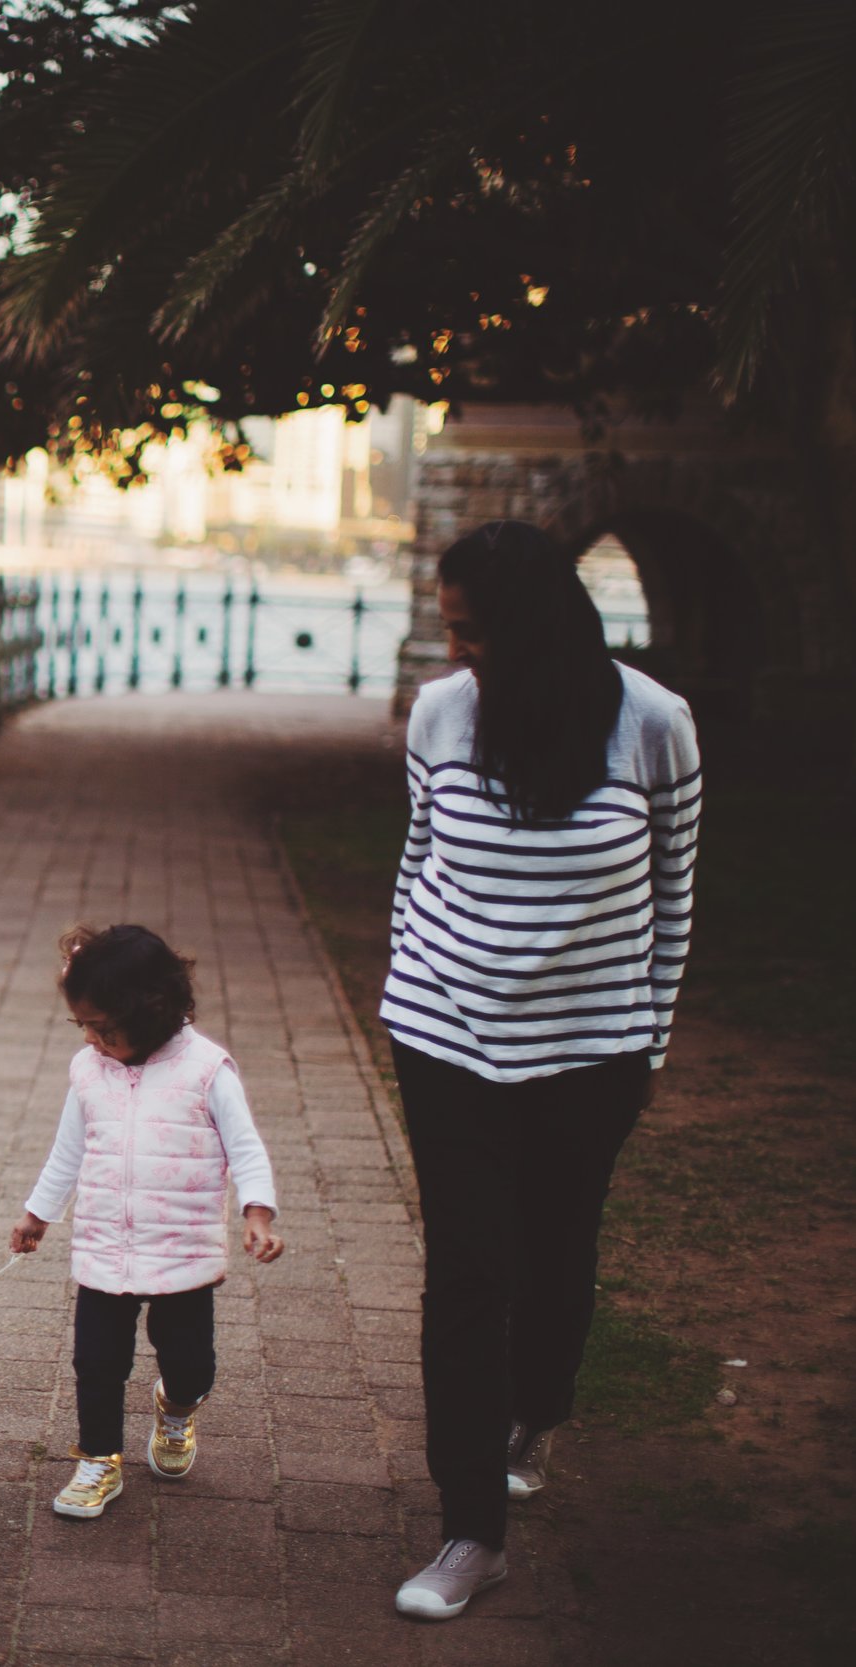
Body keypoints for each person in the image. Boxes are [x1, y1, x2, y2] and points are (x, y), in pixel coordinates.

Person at [383, 521, 699, 1620]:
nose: (456, 649)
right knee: (467, 1273)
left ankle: (537, 1412)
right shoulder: (440, 713)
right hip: (444, 1041)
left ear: (532, 621)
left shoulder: (653, 723)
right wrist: (406, 986)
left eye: (472, 630)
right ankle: (472, 1527)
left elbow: (672, 891)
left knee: (556, 1253)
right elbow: (418, 856)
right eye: (448, 628)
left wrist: (646, 1044)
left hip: (588, 1055)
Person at [10, 924, 282, 1519]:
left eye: (105, 1028)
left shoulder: (207, 1070)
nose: (92, 1039)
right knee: (96, 1362)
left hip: (182, 1251)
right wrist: (39, 1213)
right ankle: (99, 1460)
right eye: (83, 1025)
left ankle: (177, 1409)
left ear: (154, 1011)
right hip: (105, 1248)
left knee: (191, 1365)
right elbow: (67, 1152)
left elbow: (246, 1146)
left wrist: (257, 1210)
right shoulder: (89, 1071)